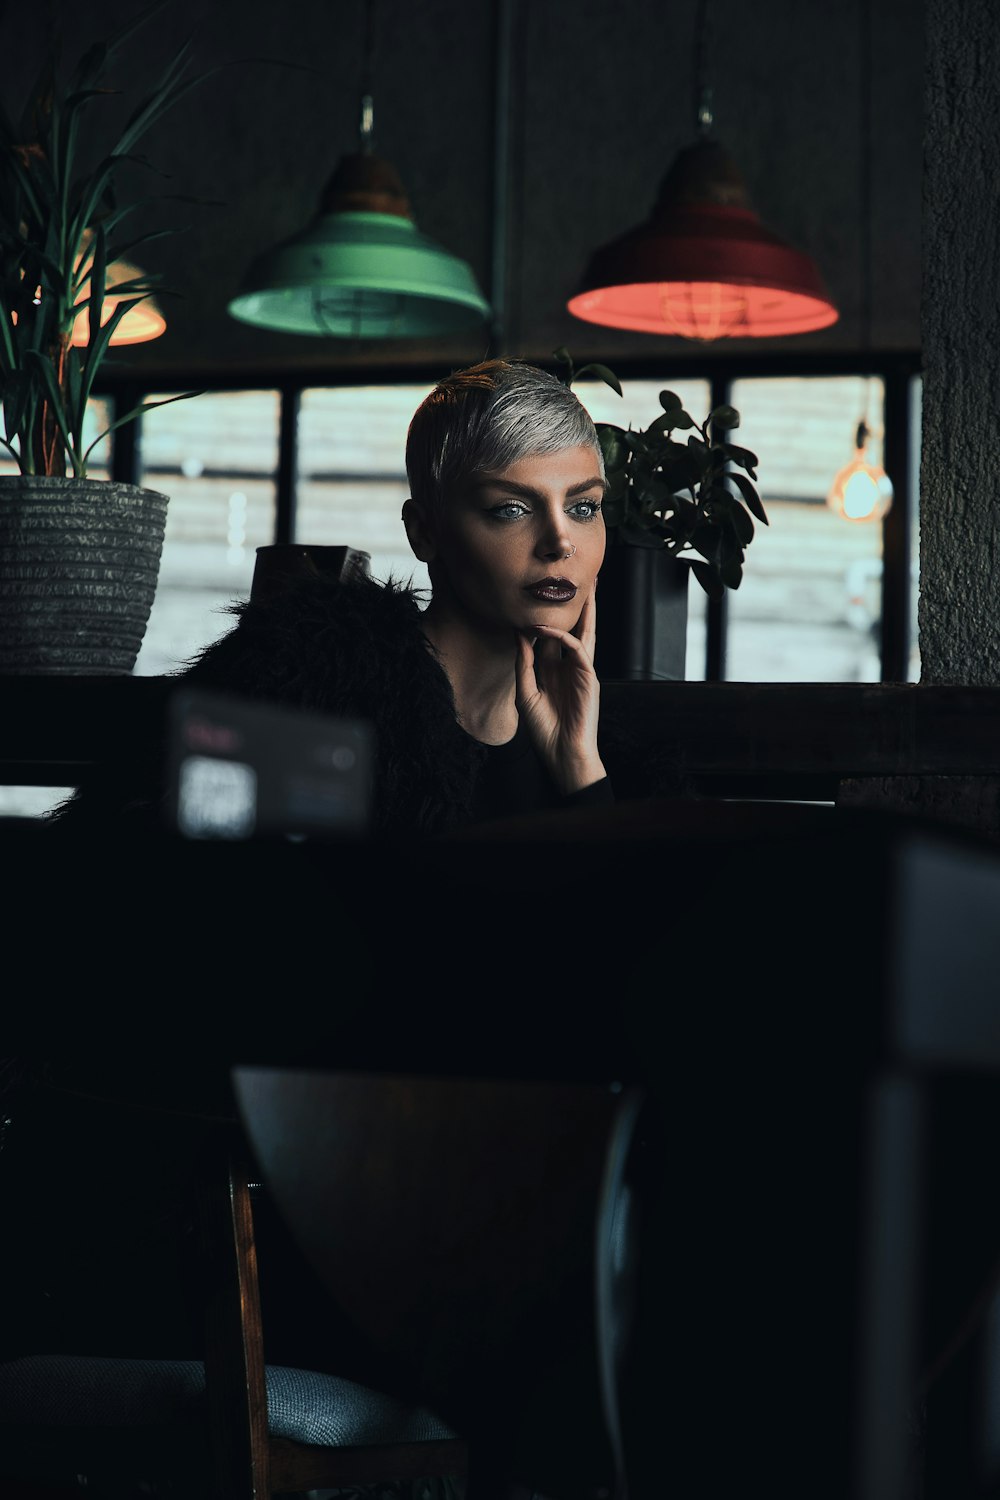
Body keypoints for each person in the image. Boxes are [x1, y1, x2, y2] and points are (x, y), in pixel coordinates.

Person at [51, 357, 668, 839]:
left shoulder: (606, 749)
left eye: (583, 507)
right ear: (424, 531)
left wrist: (582, 772)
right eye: (510, 508)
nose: (560, 541)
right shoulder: (311, 688)